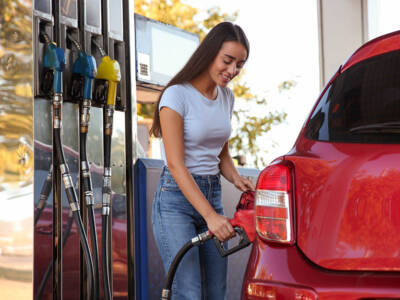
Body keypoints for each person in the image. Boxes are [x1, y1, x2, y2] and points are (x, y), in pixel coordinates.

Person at [150, 22, 255, 300]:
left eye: (239, 65)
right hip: (176, 203)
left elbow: (220, 152)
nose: (232, 71)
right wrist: (209, 216)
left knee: (215, 291)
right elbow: (175, 164)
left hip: (213, 195)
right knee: (189, 292)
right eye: (228, 60)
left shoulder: (226, 97)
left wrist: (235, 178)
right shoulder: (177, 95)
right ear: (210, 53)